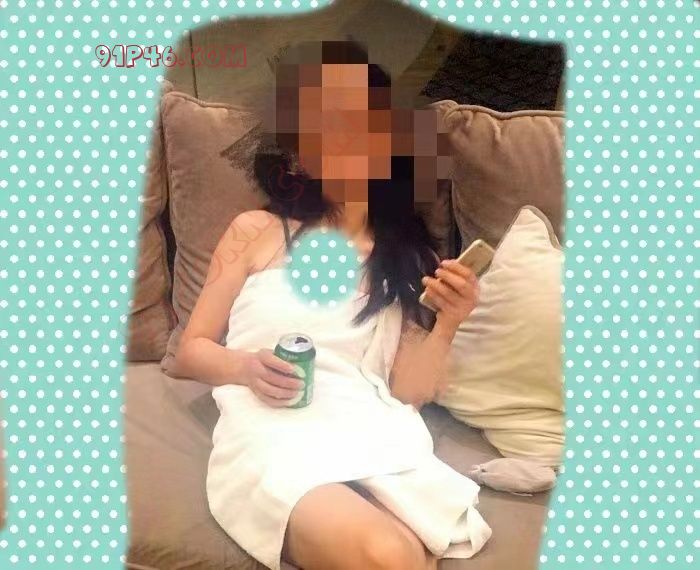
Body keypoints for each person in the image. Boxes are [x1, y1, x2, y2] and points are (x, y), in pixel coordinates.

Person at [170, 40, 490, 570]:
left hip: (371, 427)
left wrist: (448, 323)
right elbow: (190, 351)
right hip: (273, 424)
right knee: (391, 555)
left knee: (413, 553)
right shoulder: (256, 231)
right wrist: (244, 368)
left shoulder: (410, 259)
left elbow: (407, 392)